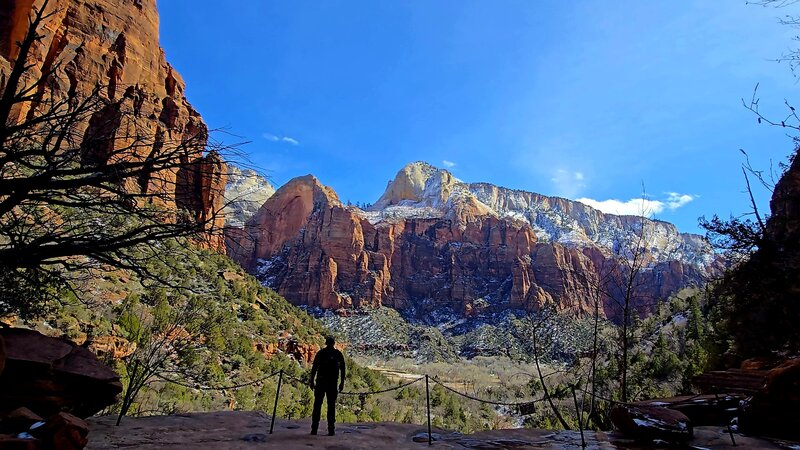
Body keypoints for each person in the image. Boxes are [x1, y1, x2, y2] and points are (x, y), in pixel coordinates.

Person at [309, 336, 346, 436]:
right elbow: (343, 370)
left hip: (321, 382)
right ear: (333, 343)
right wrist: (342, 382)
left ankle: (314, 429)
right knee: (331, 406)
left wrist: (311, 380)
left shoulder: (321, 353)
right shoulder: (338, 354)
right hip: (332, 383)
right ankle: (331, 430)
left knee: (317, 406)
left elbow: (314, 368)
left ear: (326, 343)